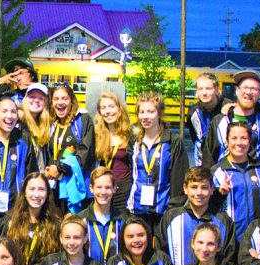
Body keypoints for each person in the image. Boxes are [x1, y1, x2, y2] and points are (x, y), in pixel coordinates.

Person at [157, 167, 236, 265]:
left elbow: (229, 257)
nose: (199, 193)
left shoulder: (223, 221)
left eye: (204, 188)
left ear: (212, 189)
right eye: (194, 187)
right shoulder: (170, 217)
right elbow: (161, 255)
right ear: (185, 188)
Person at [127, 92, 189, 230]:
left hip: (164, 211)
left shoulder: (173, 142)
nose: (145, 116)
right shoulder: (134, 143)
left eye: (150, 111)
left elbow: (180, 177)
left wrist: (173, 209)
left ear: (160, 113)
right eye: (142, 112)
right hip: (137, 210)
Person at [211, 121, 260, 241]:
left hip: (259, 238)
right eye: (234, 138)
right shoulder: (216, 172)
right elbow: (208, 207)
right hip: (229, 240)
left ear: (250, 142)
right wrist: (219, 194)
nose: (239, 143)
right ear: (227, 142)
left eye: (244, 138)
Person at [203, 70, 260, 166]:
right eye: (245, 87)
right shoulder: (219, 121)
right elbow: (208, 158)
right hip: (226, 178)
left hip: (257, 178)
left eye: (254, 88)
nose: (248, 92)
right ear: (237, 90)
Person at [5, 172, 61, 265]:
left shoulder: (55, 223)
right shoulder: (10, 221)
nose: (36, 195)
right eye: (32, 189)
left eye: (41, 189)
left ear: (47, 193)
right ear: (24, 193)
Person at [35, 214, 102, 265]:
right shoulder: (49, 263)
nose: (71, 242)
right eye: (67, 237)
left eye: (76, 237)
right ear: (61, 238)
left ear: (85, 238)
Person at [48, 83, 95, 202]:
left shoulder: (82, 120)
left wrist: (60, 168)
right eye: (56, 99)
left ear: (71, 101)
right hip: (55, 185)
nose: (60, 102)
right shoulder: (52, 123)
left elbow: (86, 151)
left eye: (64, 98)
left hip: (76, 184)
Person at [93, 92, 133, 214]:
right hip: (103, 190)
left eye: (111, 106)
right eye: (103, 108)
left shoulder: (130, 135)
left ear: (119, 108)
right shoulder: (96, 135)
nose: (108, 111)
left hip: (124, 189)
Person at [78, 167, 125, 265]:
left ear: (114, 189)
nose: (103, 192)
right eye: (99, 187)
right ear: (91, 188)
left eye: (107, 187)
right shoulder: (80, 220)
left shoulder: (123, 220)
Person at [185, 73, 229, 167]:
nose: (204, 93)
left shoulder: (229, 107)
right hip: (203, 161)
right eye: (200, 89)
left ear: (217, 90)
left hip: (226, 162)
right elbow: (195, 138)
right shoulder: (193, 112)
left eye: (208, 88)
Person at [19, 83, 52, 174]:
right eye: (32, 96)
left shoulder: (46, 125)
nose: (36, 100)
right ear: (25, 99)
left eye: (41, 98)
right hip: (25, 180)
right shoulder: (17, 121)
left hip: (41, 179)